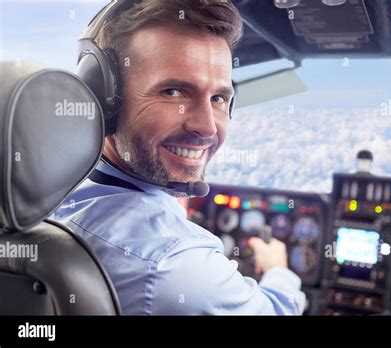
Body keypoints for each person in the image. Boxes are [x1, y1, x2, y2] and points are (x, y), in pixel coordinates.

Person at [53, 0, 305, 315]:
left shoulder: (50, 194)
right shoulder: (174, 265)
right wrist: (279, 271)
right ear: (103, 98)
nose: (207, 127)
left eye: (218, 98)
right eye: (173, 92)